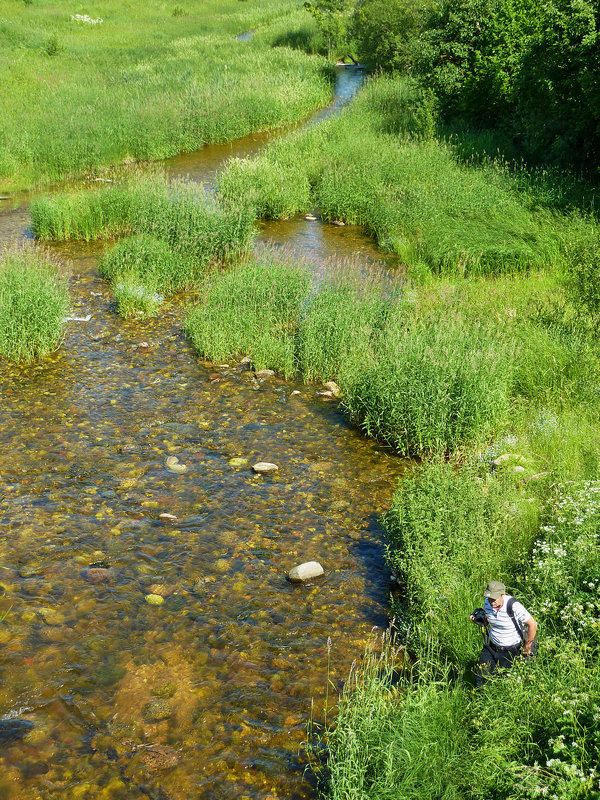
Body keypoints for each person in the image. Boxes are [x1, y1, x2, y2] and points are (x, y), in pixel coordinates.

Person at [471, 580, 538, 686]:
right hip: (492, 647)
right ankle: (479, 697)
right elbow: (489, 622)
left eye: (494, 598)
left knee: (508, 680)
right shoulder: (487, 604)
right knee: (481, 678)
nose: (491, 602)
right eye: (489, 598)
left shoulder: (513, 605)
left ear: (503, 594)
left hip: (512, 650)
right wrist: (478, 620)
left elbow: (533, 624)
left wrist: (527, 647)